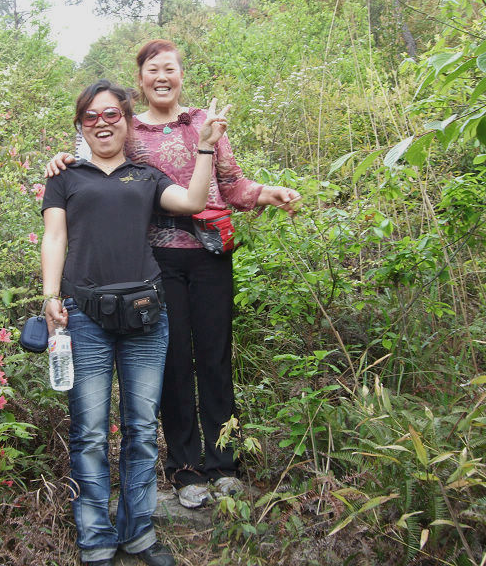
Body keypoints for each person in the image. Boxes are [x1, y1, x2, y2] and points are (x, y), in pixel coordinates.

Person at [45, 40, 301, 510]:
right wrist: (59, 159)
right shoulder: (129, 128)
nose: (162, 76)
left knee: (215, 357)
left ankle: (224, 463)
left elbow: (233, 183)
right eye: (152, 70)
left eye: (170, 69)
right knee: (173, 365)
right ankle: (184, 468)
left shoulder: (206, 124)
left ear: (182, 74)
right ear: (139, 81)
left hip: (209, 256)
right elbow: (93, 159)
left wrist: (268, 192)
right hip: (156, 263)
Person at [41, 78, 230, 566]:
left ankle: (138, 531)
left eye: (111, 115)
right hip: (85, 317)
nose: (102, 124)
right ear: (81, 125)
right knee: (89, 431)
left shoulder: (146, 176)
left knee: (142, 428)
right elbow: (54, 238)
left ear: (126, 120)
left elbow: (192, 203)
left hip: (147, 317)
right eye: (91, 117)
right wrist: (49, 295)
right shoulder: (65, 176)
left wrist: (206, 147)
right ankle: (95, 537)